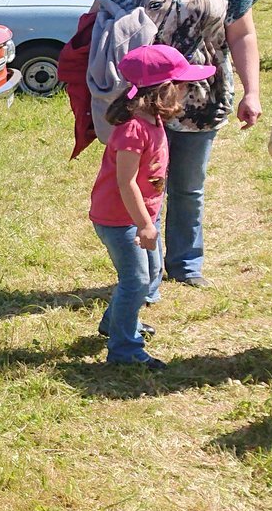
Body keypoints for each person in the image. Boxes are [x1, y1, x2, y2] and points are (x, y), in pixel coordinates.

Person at [85, 0, 263, 289]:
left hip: (203, 95)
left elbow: (242, 34)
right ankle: (145, 275)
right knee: (143, 185)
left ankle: (186, 264)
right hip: (142, 100)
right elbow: (100, 22)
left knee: (188, 187)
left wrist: (252, 91)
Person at [90, 44, 215, 368]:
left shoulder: (154, 120)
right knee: (136, 281)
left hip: (141, 216)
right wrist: (145, 225)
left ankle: (117, 322)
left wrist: (149, 220)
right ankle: (124, 350)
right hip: (120, 219)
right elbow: (126, 182)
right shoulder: (133, 129)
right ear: (164, 90)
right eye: (184, 85)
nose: (188, 91)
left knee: (148, 274)